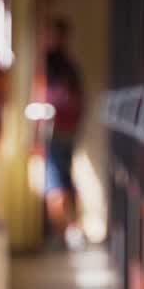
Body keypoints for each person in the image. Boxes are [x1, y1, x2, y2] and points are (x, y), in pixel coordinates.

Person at [43, 18, 85, 249]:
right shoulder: (65, 65)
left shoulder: (54, 65)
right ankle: (69, 229)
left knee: (56, 184)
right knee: (62, 182)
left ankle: (63, 232)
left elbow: (72, 101)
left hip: (58, 132)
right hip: (63, 131)